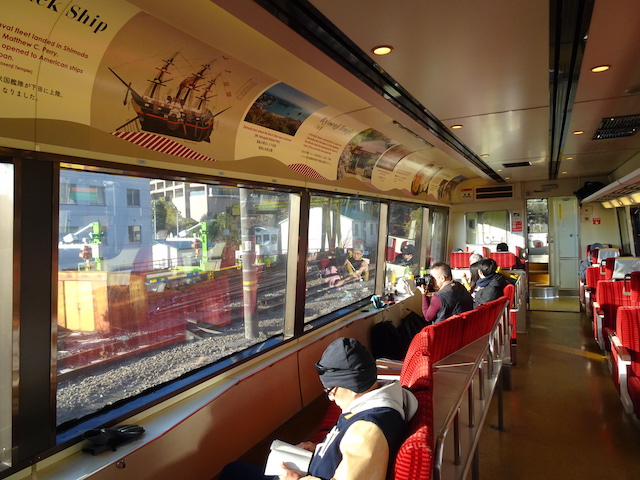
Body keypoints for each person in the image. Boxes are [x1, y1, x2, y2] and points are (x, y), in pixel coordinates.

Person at [219, 337, 418, 480]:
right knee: (234, 469)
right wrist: (319, 449)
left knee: (232, 471)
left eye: (330, 391)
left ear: (349, 386)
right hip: (313, 467)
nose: (331, 398)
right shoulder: (373, 404)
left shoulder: (368, 430)